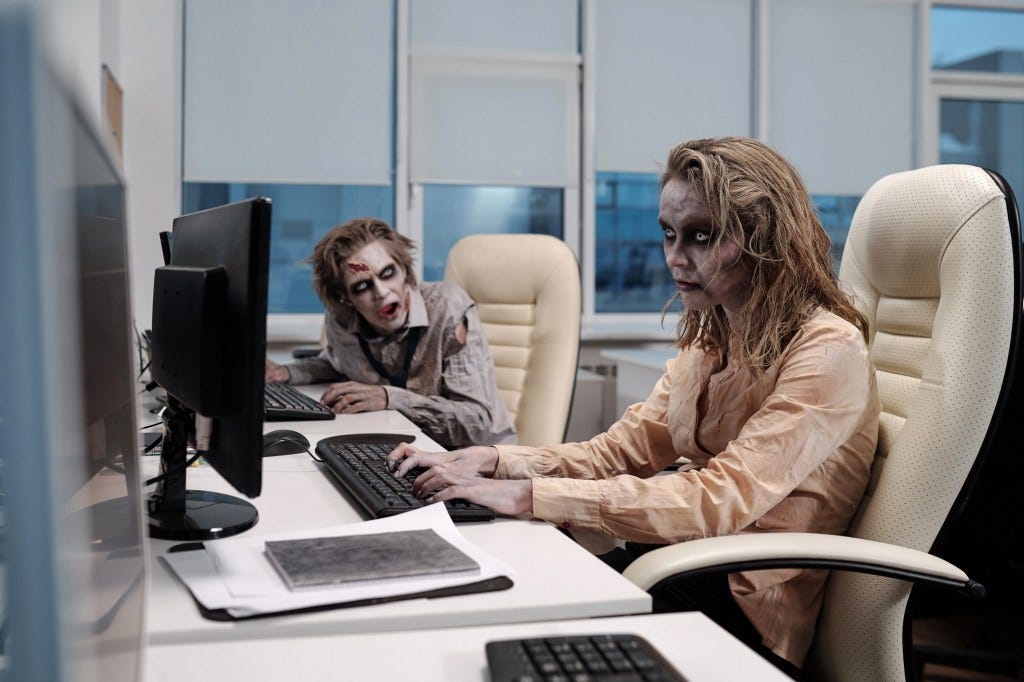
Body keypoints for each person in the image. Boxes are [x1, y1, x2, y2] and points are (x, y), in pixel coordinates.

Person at [386, 137, 880, 672]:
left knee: (519, 632)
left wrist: (531, 496)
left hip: (745, 600)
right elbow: (620, 451)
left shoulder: (828, 350)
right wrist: (493, 461)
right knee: (494, 596)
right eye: (669, 234)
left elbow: (718, 499)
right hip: (677, 560)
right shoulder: (712, 337)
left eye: (701, 236)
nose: (674, 257)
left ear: (763, 236)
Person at [265, 217, 516, 449]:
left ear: (404, 269)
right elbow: (342, 362)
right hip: (407, 447)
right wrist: (288, 373)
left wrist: (389, 397)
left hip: (480, 460)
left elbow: (476, 423)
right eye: (362, 286)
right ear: (345, 298)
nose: (382, 292)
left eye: (388, 273)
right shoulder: (342, 319)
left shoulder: (448, 309)